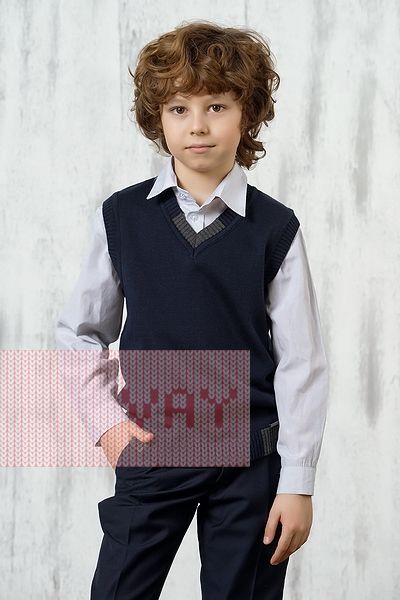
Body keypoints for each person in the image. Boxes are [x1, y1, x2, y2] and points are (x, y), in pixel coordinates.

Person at [56, 20, 329, 600]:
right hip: (152, 448)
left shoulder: (275, 228)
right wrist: (108, 426)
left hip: (250, 462)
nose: (198, 125)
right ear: (158, 117)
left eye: (216, 106)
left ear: (247, 114)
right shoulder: (122, 217)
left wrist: (297, 482)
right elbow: (79, 334)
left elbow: (301, 362)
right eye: (179, 108)